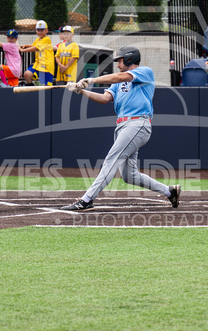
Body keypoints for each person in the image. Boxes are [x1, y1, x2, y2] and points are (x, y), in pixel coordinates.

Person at [61, 46, 181, 211]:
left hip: (138, 124)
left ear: (130, 59)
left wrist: (91, 80)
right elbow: (105, 98)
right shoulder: (119, 83)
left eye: (120, 60)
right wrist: (82, 91)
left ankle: (87, 199)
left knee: (112, 158)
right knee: (130, 176)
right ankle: (170, 192)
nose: (118, 64)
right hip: (123, 126)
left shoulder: (145, 72)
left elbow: (119, 77)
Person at [19, 20, 54, 86]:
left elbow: (35, 48)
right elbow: (33, 45)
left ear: (46, 31)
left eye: (42, 30)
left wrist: (23, 50)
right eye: (38, 30)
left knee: (47, 86)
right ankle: (31, 88)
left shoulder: (46, 39)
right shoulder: (38, 40)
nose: (40, 32)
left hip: (46, 65)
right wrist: (26, 45)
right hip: (38, 64)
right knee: (27, 74)